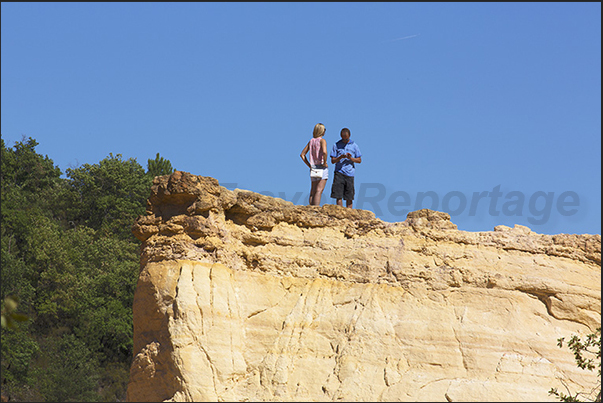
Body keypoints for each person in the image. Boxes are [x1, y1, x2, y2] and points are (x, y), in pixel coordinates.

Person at [330, 127, 362, 208]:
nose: (344, 140)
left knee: (349, 196)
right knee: (338, 195)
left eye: (346, 139)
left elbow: (359, 160)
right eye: (343, 139)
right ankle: (340, 211)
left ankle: (349, 213)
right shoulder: (336, 145)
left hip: (350, 173)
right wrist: (341, 157)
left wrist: (350, 158)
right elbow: (333, 160)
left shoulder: (354, 146)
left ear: (349, 136)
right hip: (339, 172)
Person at [300, 123, 328, 205]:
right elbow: (324, 152)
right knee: (319, 190)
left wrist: (309, 165)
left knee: (313, 189)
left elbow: (302, 154)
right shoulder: (322, 141)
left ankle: (311, 207)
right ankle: (315, 209)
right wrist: (325, 162)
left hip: (313, 167)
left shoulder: (311, 141)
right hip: (321, 166)